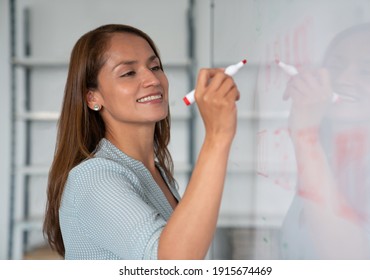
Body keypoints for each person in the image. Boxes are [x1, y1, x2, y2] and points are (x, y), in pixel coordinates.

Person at [43, 24, 240, 260]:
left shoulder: (156, 173)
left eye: (155, 66)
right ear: (93, 97)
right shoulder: (93, 178)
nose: (152, 79)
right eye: (128, 73)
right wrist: (218, 136)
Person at [280, 22, 370, 259]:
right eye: (336, 66)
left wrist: (305, 136)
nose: (343, 78)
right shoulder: (327, 158)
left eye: (368, 71)